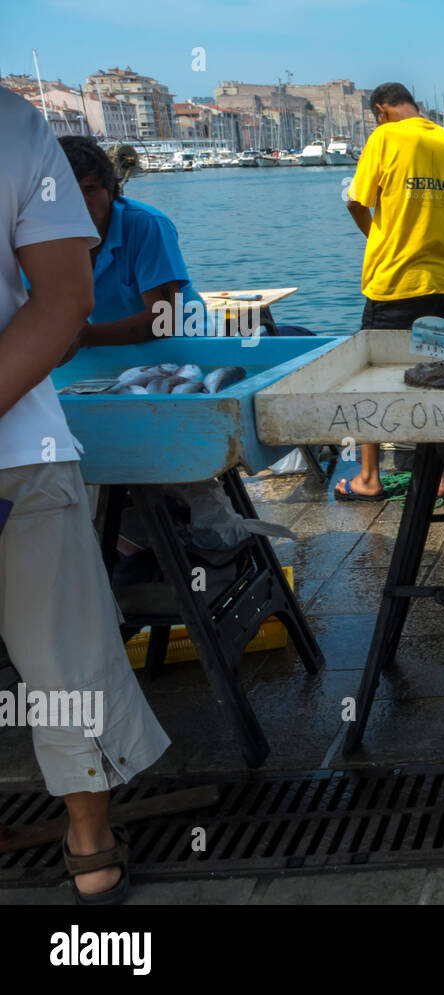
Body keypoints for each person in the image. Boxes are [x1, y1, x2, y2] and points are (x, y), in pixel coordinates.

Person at [0, 89, 170, 902]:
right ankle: (91, 847)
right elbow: (62, 297)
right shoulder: (14, 126)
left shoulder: (146, 229)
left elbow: (155, 318)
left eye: (96, 192)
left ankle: (90, 837)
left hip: (27, 442)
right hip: (22, 437)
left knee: (58, 654)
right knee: (62, 656)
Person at [335, 82, 444, 501]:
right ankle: (442, 477)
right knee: (437, 376)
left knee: (373, 379)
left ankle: (368, 479)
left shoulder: (383, 137)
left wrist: (380, 238)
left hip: (395, 282)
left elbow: (355, 201)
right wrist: (429, 227)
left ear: (381, 110)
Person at [55, 136, 209, 357]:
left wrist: (83, 336)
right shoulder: (44, 237)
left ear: (111, 192)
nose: (80, 202)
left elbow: (165, 318)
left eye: (90, 189)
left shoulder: (146, 224)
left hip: (184, 347)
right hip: (110, 349)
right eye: (68, 191)